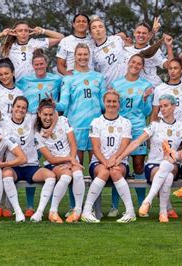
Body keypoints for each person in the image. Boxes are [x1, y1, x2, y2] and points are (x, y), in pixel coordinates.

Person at [115, 94, 182, 223]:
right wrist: (121, 156)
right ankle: (163, 212)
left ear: (174, 106)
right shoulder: (154, 125)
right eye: (161, 106)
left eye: (166, 106)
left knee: (168, 171)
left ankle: (149, 201)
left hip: (172, 165)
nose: (163, 109)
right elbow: (137, 142)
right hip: (154, 164)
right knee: (168, 176)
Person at [55, 43, 107, 215]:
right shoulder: (68, 78)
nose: (83, 57)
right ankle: (73, 206)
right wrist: (53, 104)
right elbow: (64, 103)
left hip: (95, 128)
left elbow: (102, 104)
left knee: (95, 168)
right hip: (75, 127)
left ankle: (93, 207)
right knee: (74, 168)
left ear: (89, 56)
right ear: (74, 56)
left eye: (86, 54)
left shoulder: (98, 78)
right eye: (80, 55)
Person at [81, 90, 136, 223]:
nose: (111, 104)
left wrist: (114, 159)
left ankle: (130, 212)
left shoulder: (125, 122)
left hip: (120, 161)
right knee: (105, 171)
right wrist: (105, 161)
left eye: (114, 101)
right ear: (104, 103)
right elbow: (95, 147)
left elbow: (124, 145)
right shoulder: (96, 122)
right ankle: (86, 211)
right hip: (99, 162)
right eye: (108, 101)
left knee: (115, 171)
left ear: (119, 104)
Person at [108, 54, 153, 217]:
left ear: (142, 67)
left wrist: (146, 99)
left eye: (139, 63)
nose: (135, 65)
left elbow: (147, 112)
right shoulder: (116, 84)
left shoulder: (146, 85)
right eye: (133, 62)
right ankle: (114, 205)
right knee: (116, 165)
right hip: (119, 128)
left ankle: (142, 205)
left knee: (139, 166)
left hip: (137, 128)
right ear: (128, 63)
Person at [0, 96, 58, 222]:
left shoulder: (31, 120)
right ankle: (18, 212)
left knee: (50, 176)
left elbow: (54, 114)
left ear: (27, 110)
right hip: (13, 166)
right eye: (18, 107)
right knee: (6, 174)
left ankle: (39, 212)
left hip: (31, 166)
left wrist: (51, 126)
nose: (20, 110)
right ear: (13, 108)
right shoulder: (4, 121)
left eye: (23, 108)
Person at [35, 99, 85, 223]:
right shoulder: (37, 133)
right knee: (66, 176)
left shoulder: (63, 120)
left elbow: (73, 143)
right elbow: (50, 158)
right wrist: (68, 159)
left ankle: (77, 211)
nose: (48, 117)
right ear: (39, 114)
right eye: (45, 114)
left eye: (50, 114)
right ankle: (53, 211)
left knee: (78, 174)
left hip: (71, 158)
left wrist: (72, 159)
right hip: (54, 163)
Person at [0, 21, 64, 80]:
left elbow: (61, 37)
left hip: (34, 84)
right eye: (20, 30)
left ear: (29, 32)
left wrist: (43, 31)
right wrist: (3, 33)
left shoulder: (36, 43)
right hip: (17, 85)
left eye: (26, 30)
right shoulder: (9, 47)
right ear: (15, 33)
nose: (23, 33)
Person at [123, 19, 174, 86]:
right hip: (131, 89)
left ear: (148, 35)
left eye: (144, 33)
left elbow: (169, 66)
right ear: (134, 33)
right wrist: (153, 31)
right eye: (138, 32)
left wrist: (169, 46)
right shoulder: (125, 50)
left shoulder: (154, 50)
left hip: (152, 88)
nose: (141, 35)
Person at [17, 49, 62, 113]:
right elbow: (9, 86)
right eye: (36, 64)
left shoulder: (57, 79)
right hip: (31, 117)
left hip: (49, 116)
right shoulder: (25, 80)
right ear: (33, 66)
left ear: (46, 64)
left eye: (41, 64)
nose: (39, 67)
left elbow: (68, 88)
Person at [150, 57, 182, 125]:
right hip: (164, 130)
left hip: (181, 131)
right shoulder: (159, 89)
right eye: (170, 68)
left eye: (175, 68)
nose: (172, 71)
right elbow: (155, 114)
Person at [89, 17, 128, 87]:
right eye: (94, 28)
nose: (98, 29)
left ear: (105, 29)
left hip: (126, 84)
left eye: (100, 27)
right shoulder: (92, 53)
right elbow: (93, 74)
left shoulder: (117, 39)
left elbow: (132, 49)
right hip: (110, 88)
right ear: (91, 33)